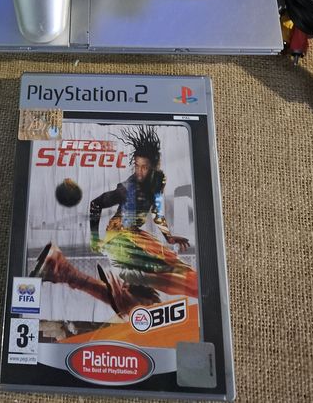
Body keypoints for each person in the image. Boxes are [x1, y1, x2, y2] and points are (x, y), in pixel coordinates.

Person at [30, 126, 198, 316]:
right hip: (121, 238)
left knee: (145, 301)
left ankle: (61, 268)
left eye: (144, 167)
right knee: (171, 287)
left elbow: (157, 212)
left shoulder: (159, 180)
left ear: (154, 166)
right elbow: (96, 204)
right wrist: (95, 239)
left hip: (139, 237)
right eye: (137, 166)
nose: (139, 171)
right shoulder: (127, 189)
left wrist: (169, 237)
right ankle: (79, 272)